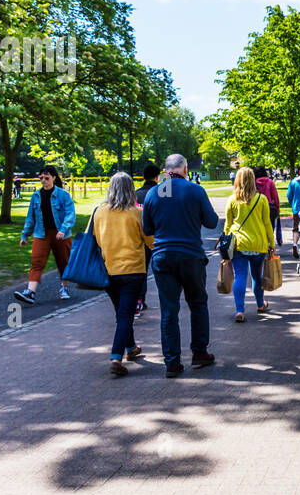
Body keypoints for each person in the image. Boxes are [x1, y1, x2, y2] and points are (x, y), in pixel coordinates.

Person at [142, 153, 220, 377]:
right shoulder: (195, 190)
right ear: (185, 170)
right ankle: (199, 352)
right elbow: (212, 222)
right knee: (198, 303)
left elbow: (147, 228)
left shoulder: (153, 193)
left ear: (165, 171)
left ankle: (172, 362)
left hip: (163, 256)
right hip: (190, 255)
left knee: (169, 310)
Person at [93, 172, 153, 376]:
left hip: (108, 270)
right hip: (133, 270)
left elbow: (94, 237)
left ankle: (131, 347)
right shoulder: (137, 213)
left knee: (121, 312)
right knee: (126, 314)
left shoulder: (99, 211)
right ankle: (116, 357)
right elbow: (150, 241)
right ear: (131, 189)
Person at [15, 165, 76, 305]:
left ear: (54, 178)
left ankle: (65, 287)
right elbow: (30, 217)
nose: (43, 180)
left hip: (61, 234)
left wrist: (63, 229)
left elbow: (70, 214)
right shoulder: (36, 196)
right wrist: (25, 235)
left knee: (63, 262)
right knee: (37, 262)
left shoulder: (63, 195)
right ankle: (30, 292)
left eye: (46, 178)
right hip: (41, 234)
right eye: (41, 178)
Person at [224, 167, 275, 321]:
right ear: (253, 180)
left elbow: (227, 225)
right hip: (258, 244)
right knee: (257, 276)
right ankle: (260, 304)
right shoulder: (262, 199)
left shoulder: (232, 200)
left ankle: (240, 310)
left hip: (239, 244)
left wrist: (225, 245)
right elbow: (267, 223)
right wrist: (272, 243)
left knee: (239, 276)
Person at [135, 163, 161, 316]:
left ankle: (140, 299)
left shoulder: (136, 194)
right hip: (158, 237)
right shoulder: (160, 193)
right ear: (157, 177)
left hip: (139, 237)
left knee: (142, 269)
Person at [253, 165, 283, 249]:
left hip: (256, 208)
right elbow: (275, 196)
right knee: (269, 227)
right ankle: (268, 244)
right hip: (270, 208)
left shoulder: (253, 182)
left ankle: (260, 245)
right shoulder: (270, 182)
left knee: (258, 227)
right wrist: (277, 207)